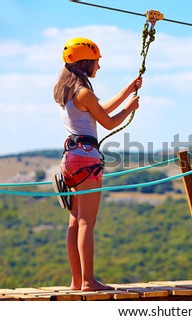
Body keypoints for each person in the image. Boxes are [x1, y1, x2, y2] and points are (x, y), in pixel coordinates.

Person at [53, 37, 142, 291]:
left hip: (70, 159)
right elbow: (109, 122)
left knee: (74, 222)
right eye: (96, 62)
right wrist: (130, 107)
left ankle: (76, 280)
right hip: (86, 159)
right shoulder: (83, 92)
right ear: (85, 63)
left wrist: (127, 90)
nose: (98, 67)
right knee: (86, 223)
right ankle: (89, 281)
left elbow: (98, 109)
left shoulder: (66, 91)